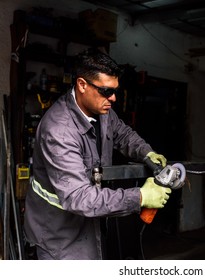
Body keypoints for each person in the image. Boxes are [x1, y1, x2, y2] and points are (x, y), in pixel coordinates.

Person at [23, 48, 172, 260]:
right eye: (105, 91)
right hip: (58, 237)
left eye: (114, 91)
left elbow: (121, 133)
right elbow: (79, 197)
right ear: (82, 85)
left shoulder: (101, 109)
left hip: (90, 224)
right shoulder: (59, 131)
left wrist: (146, 153)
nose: (113, 98)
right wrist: (140, 197)